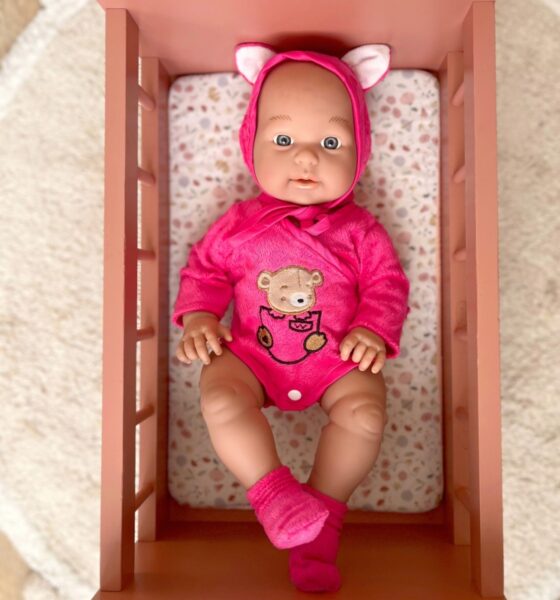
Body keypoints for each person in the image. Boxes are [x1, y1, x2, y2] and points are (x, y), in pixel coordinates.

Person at [171, 43, 410, 593]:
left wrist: (372, 328)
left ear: (360, 152)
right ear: (251, 145)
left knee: (365, 414)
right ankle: (274, 495)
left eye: (331, 143)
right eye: (283, 141)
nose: (306, 159)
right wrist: (201, 317)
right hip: (251, 355)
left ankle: (321, 525)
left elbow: (387, 284)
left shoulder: (360, 231)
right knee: (220, 398)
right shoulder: (239, 224)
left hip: (335, 359)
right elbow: (205, 269)